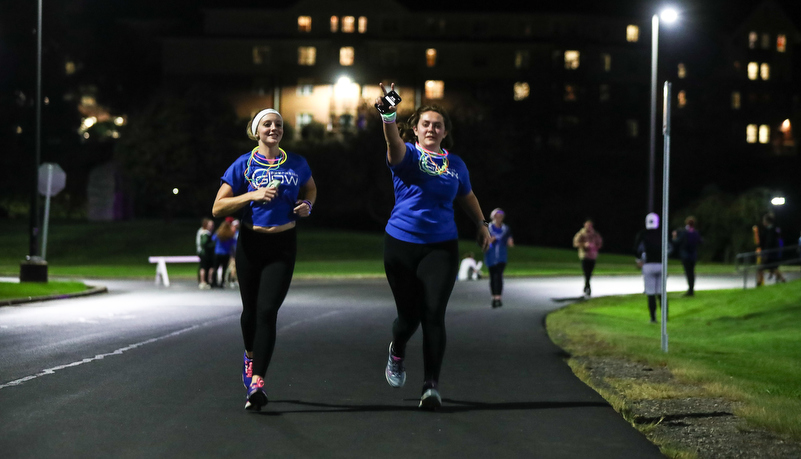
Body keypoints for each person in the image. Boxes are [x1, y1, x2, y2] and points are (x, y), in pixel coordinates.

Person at [377, 82, 490, 411]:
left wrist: (481, 224)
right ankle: (397, 348)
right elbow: (391, 140)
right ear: (415, 129)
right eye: (425, 123)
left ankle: (431, 386)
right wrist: (388, 112)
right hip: (401, 245)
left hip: (441, 247)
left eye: (437, 125)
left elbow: (466, 195)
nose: (431, 128)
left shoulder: (456, 164)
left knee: (433, 315)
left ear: (444, 132)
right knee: (408, 317)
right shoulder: (407, 155)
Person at [212, 108, 317, 411]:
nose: (274, 128)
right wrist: (251, 196)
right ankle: (249, 354)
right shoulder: (243, 165)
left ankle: (257, 381)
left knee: (267, 311)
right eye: (267, 124)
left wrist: (308, 204)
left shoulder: (296, 163)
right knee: (251, 312)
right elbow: (218, 207)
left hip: (283, 244)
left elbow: (310, 187)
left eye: (279, 125)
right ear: (256, 131)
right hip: (251, 243)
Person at [634, 213, 666, 323]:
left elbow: (637, 249)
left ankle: (653, 318)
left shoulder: (643, 234)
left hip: (648, 265)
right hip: (661, 265)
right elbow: (669, 247)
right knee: (661, 293)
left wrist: (639, 260)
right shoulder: (662, 233)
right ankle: (664, 318)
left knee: (651, 293)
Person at [485, 208, 514, 308]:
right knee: (493, 277)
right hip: (491, 256)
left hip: (502, 256)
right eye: (496, 216)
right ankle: (494, 297)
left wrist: (510, 242)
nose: (498, 218)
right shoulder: (488, 228)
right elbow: (481, 243)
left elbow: (509, 240)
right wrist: (489, 241)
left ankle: (498, 298)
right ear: (493, 217)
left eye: (500, 216)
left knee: (499, 276)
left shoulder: (506, 229)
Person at [671, 216, 702, 296]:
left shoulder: (684, 232)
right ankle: (691, 289)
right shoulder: (695, 232)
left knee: (688, 273)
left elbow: (677, 241)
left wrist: (674, 237)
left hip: (685, 255)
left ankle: (690, 290)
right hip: (693, 255)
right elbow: (700, 241)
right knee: (692, 272)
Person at [573, 219, 603, 298]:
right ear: (584, 225)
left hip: (593, 256)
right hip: (584, 255)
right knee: (586, 271)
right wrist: (583, 245)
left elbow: (599, 243)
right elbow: (575, 243)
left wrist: (594, 246)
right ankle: (588, 286)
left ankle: (587, 285)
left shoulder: (595, 235)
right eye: (587, 225)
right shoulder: (581, 234)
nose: (588, 227)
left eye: (590, 226)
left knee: (590, 272)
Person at [755, 213, 786, 285]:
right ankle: (783, 280)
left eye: (764, 220)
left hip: (770, 254)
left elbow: (770, 243)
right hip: (772, 253)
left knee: (761, 268)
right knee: (773, 268)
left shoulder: (772, 231)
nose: (763, 222)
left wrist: (765, 252)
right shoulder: (771, 230)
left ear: (767, 221)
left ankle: (759, 283)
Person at [210, 218, 236, 288]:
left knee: (215, 268)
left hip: (218, 253)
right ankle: (222, 283)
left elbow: (213, 239)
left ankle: (214, 282)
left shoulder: (218, 233)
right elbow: (233, 243)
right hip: (226, 253)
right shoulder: (230, 235)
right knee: (224, 268)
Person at [196, 218, 215, 289]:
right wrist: (213, 244)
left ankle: (204, 281)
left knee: (203, 267)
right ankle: (203, 281)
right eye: (210, 225)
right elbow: (204, 243)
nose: (212, 226)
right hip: (205, 253)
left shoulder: (201, 231)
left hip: (202, 252)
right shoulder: (205, 233)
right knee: (204, 267)